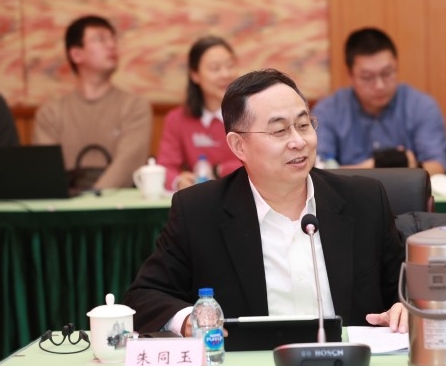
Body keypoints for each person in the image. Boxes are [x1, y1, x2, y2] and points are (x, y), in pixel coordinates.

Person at [125, 69, 408, 337]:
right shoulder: (199, 212)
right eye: (279, 131)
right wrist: (191, 320)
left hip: (350, 364)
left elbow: (406, 289)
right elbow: (144, 296)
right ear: (239, 146)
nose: (298, 142)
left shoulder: (364, 200)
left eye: (303, 125)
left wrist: (406, 307)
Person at [33, 15, 152, 189]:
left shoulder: (134, 106)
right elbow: (47, 172)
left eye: (113, 39)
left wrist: (94, 197)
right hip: (66, 202)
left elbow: (128, 165)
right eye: (100, 39)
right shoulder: (51, 112)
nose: (111, 45)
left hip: (118, 201)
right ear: (76, 54)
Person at [312, 27, 446, 176]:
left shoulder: (421, 106)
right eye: (367, 77)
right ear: (350, 75)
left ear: (396, 66)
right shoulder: (327, 112)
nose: (379, 85)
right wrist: (377, 166)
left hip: (406, 191)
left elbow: (438, 165)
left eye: (386, 73)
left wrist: (414, 165)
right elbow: (318, 171)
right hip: (348, 192)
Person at [157, 36, 242, 191]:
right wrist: (179, 181)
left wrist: (218, 170)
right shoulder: (177, 119)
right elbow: (165, 167)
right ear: (195, 75)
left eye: (230, 66)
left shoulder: (249, 114)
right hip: (201, 197)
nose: (225, 74)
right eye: (215, 68)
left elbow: (260, 162)